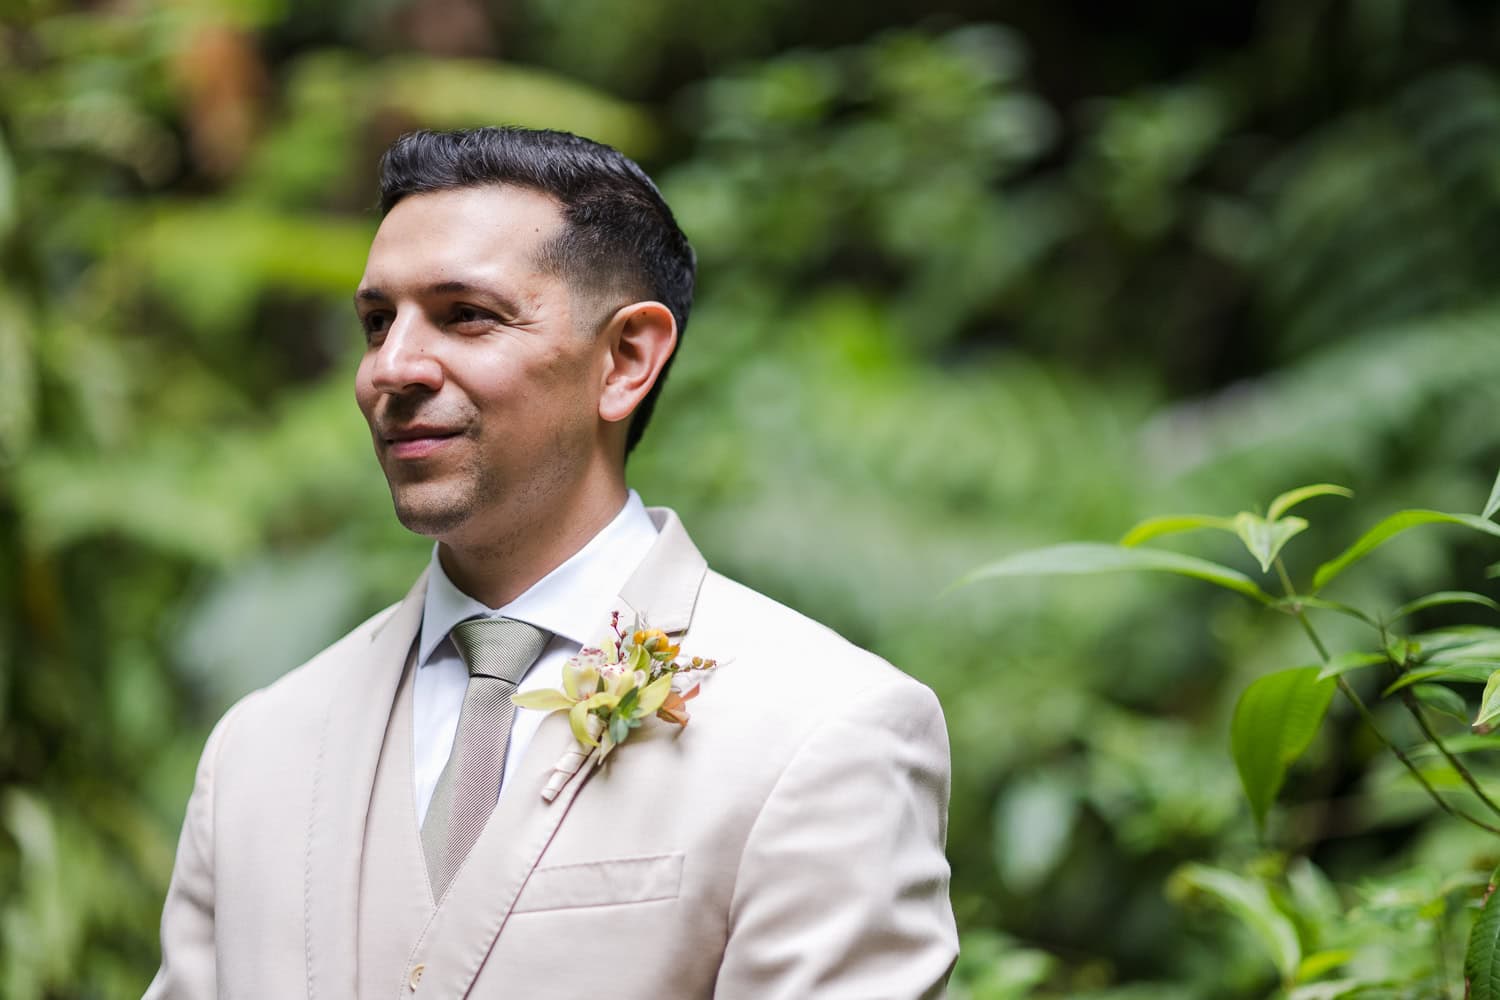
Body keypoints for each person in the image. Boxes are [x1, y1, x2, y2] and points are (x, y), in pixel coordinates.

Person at [146, 126, 957, 999]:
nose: (393, 367)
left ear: (626, 359)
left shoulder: (824, 727)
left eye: (466, 315)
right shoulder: (257, 750)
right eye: (378, 322)